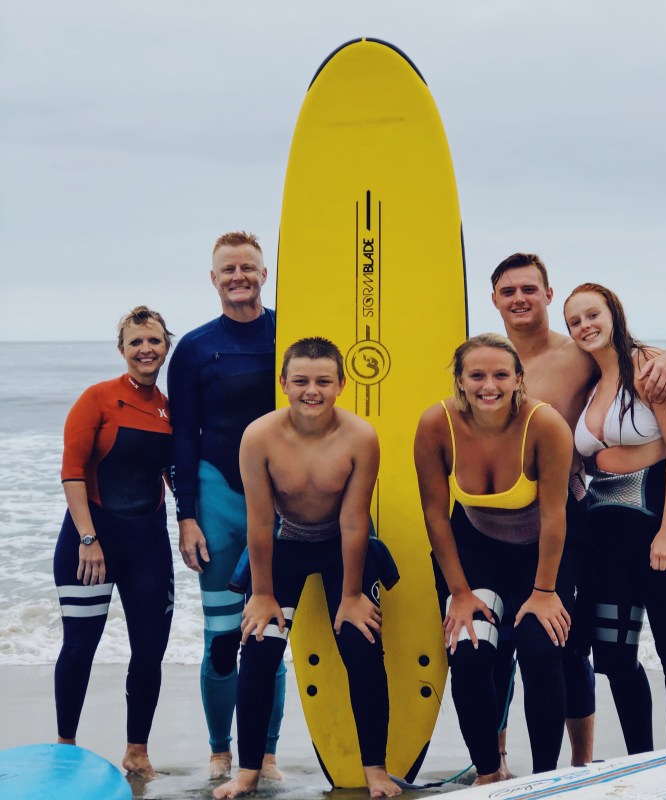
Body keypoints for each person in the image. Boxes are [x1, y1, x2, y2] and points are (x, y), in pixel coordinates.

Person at [488, 252, 666, 767]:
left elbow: (646, 367)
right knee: (522, 644)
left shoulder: (576, 356)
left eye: (529, 289)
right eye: (508, 291)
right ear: (494, 300)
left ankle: (585, 761)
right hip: (516, 520)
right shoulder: (488, 360)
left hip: (571, 516)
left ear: (546, 295)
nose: (519, 298)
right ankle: (499, 760)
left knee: (569, 644)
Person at [214, 338, 400, 799]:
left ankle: (374, 768)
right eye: (300, 381)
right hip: (286, 543)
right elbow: (258, 522)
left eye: (322, 381)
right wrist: (262, 594)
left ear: (340, 384)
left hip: (345, 545)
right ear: (283, 384)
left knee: (361, 645)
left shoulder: (360, 436)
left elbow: (355, 520)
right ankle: (248, 770)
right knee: (259, 649)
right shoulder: (259, 436)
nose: (310, 390)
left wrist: (352, 596)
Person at [414, 333, 574, 782]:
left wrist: (544, 591)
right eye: (477, 375)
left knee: (541, 651)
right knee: (468, 652)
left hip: (541, 553)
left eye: (501, 374)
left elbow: (556, 515)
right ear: (460, 381)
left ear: (518, 378)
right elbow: (436, 516)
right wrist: (459, 592)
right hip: (475, 551)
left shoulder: (544, 425)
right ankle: (488, 773)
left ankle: (545, 777)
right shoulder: (436, 424)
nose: (489, 385)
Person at [563, 283, 666, 755]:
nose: (585, 326)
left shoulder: (650, 371)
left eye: (593, 314)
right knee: (614, 657)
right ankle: (643, 759)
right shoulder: (589, 380)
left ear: (614, 313)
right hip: (608, 541)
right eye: (574, 321)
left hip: (662, 528)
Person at [166, 231, 285, 778]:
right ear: (213, 280)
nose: (239, 276)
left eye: (248, 267)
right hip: (217, 499)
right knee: (221, 640)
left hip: (282, 502)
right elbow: (182, 438)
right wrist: (186, 515)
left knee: (267, 635)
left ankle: (265, 753)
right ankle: (220, 750)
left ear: (265, 273)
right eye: (228, 269)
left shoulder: (289, 331)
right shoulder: (193, 347)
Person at [54, 306, 174, 778]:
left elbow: (173, 474)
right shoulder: (98, 398)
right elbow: (72, 471)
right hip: (90, 543)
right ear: (122, 349)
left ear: (166, 346)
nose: (146, 349)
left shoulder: (169, 408)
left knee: (149, 650)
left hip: (148, 544)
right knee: (80, 646)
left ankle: (137, 752)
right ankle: (65, 745)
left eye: (154, 341)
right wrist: (88, 537)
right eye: (136, 342)